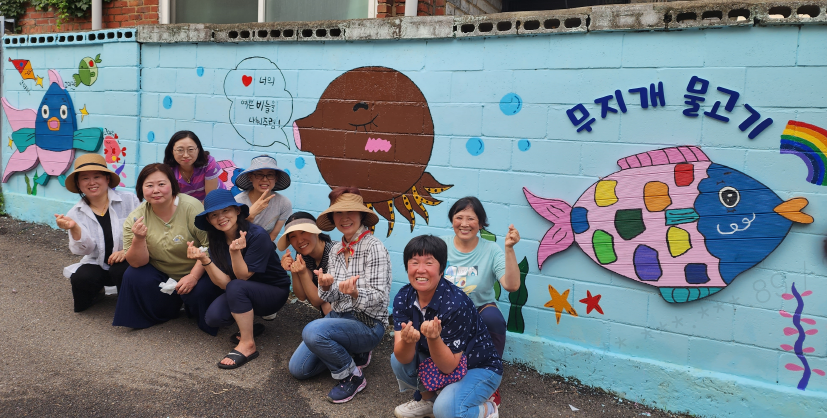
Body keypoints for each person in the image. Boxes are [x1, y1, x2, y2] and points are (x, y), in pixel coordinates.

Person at [288, 187, 391, 404]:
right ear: (333, 218)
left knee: (312, 331)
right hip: (340, 319)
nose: (345, 219)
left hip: (368, 323)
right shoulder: (336, 250)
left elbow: (381, 297)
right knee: (298, 369)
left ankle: (351, 376)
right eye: (338, 214)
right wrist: (325, 286)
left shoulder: (375, 247)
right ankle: (352, 353)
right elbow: (332, 297)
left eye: (350, 212)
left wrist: (355, 293)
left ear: (361, 215)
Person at [391, 235, 502, 418]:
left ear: (442, 269)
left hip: (480, 367)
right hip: (444, 362)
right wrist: (407, 342)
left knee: (447, 411)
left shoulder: (455, 303)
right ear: (407, 266)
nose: (420, 270)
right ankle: (429, 400)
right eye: (414, 262)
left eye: (429, 263)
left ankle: (488, 409)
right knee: (396, 359)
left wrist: (434, 338)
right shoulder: (403, 298)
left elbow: (448, 367)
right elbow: (403, 358)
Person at [113, 163, 222, 335]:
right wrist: (139, 239)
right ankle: (160, 312)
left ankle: (194, 308)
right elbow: (136, 262)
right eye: (149, 186)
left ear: (173, 185)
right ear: (141, 189)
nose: (156, 190)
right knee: (132, 275)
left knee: (202, 293)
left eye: (162, 184)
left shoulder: (191, 207)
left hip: (198, 269)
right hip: (162, 271)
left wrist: (193, 276)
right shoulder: (136, 218)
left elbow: (211, 245)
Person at [187, 189, 291, 369]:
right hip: (243, 290)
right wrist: (204, 260)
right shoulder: (217, 240)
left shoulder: (257, 235)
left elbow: (243, 277)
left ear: (237, 211)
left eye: (226, 211)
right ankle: (248, 327)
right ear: (209, 220)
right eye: (214, 215)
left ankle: (248, 344)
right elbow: (223, 283)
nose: (221, 217)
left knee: (237, 286)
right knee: (213, 318)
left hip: (273, 292)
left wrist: (235, 252)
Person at [442, 196, 520, 406]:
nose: (464, 224)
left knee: (494, 319)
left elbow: (511, 286)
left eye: (471, 218)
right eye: (459, 217)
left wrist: (509, 249)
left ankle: (488, 378)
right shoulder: (440, 245)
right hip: (447, 311)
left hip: (480, 309)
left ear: (481, 223)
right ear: (452, 220)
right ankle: (437, 380)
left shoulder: (491, 249)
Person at [56, 153, 140, 312]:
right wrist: (74, 228)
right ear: (78, 184)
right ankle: (97, 293)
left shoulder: (130, 200)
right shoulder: (75, 213)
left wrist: (126, 251)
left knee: (121, 270)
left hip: (127, 259)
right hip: (97, 262)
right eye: (85, 178)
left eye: (97, 176)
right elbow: (82, 250)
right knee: (81, 278)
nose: (92, 182)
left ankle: (131, 304)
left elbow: (145, 231)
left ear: (107, 179)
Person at [278, 212, 334, 316]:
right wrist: (294, 269)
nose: (299, 240)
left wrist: (303, 273)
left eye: (303, 232)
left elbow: (318, 301)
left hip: (352, 307)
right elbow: (301, 296)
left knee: (327, 305)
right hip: (326, 302)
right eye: (293, 236)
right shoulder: (303, 254)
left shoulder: (334, 253)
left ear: (316, 231)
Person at [234, 155, 292, 242]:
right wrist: (250, 215)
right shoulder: (238, 202)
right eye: (259, 175)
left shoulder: (283, 203)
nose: (265, 179)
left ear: (276, 178)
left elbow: (272, 236)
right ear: (250, 177)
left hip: (265, 246)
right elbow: (233, 233)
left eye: (270, 175)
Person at [163, 130, 227, 202]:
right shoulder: (168, 171)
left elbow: (210, 197)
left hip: (216, 200)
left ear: (198, 150)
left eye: (190, 149)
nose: (186, 155)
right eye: (180, 150)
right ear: (172, 151)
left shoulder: (208, 163)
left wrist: (198, 212)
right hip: (190, 207)